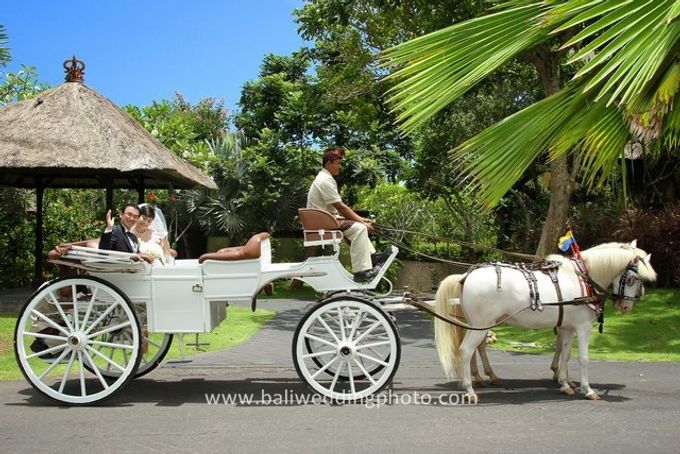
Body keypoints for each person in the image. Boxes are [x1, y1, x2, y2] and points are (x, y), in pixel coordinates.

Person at [307, 147, 391, 282]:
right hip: (323, 223)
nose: (340, 167)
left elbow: (340, 209)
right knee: (360, 228)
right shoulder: (325, 180)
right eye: (338, 163)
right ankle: (361, 272)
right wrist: (363, 222)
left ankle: (372, 257)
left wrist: (362, 219)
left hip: (325, 220)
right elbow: (340, 207)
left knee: (359, 227)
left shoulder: (325, 178)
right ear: (329, 163)